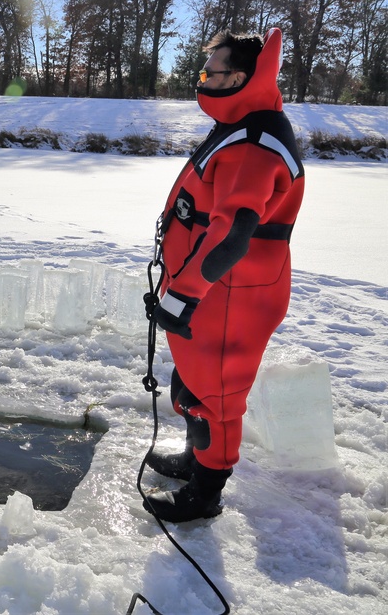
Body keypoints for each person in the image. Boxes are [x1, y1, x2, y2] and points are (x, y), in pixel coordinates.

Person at [143, 28, 305, 522]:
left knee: (217, 396)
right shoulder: (241, 123)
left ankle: (205, 496)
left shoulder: (254, 141)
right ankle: (196, 461)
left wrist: (181, 296)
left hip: (230, 293)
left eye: (209, 72)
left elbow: (232, 233)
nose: (203, 80)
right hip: (213, 289)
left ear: (238, 77)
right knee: (194, 383)